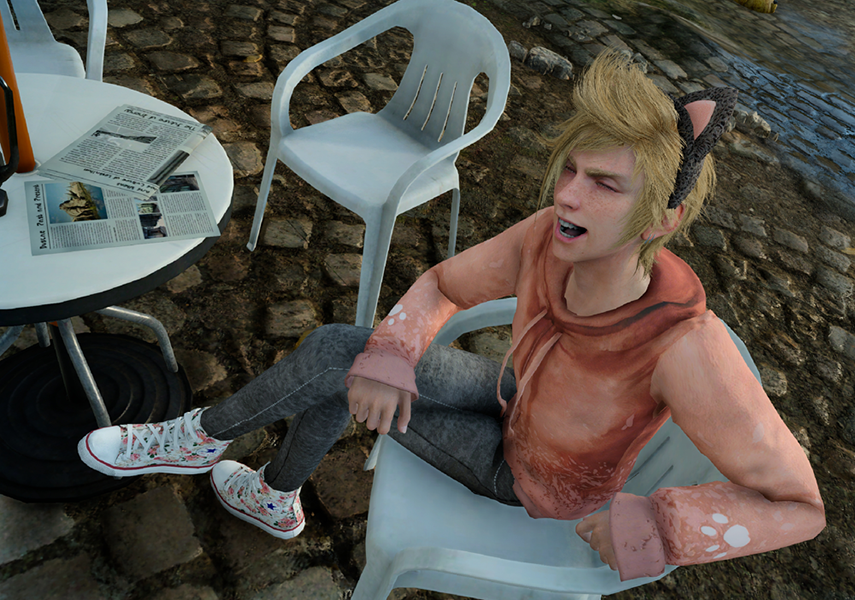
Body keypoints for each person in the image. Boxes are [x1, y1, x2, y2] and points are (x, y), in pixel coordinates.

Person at [78, 51, 825, 581]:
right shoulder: (550, 235)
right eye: (570, 169)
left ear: (663, 218)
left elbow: (799, 506)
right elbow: (443, 283)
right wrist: (393, 355)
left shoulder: (684, 347)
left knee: (341, 362)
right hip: (509, 393)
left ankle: (218, 453)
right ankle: (248, 473)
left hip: (530, 479)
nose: (567, 195)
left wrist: (657, 526)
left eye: (603, 185)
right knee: (352, 353)